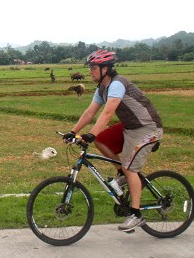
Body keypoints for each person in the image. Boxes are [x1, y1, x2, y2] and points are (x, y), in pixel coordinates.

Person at [62, 49, 163, 232]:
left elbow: (108, 113)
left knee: (129, 167)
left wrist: (89, 134)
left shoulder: (117, 84)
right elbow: (90, 111)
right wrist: (73, 131)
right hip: (130, 127)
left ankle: (136, 214)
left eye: (93, 68)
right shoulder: (102, 88)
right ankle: (123, 175)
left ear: (105, 69)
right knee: (102, 140)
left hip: (147, 128)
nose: (90, 71)